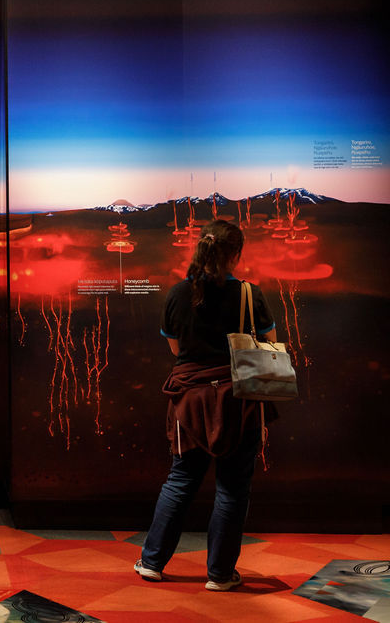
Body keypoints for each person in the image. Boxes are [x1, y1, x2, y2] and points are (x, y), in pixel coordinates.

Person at [134, 219, 276, 592]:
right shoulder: (250, 294)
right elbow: (270, 346)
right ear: (237, 254)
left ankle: (151, 563)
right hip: (238, 402)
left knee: (181, 480)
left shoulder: (179, 293)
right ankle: (220, 575)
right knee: (232, 488)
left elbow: (176, 349)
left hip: (190, 402)